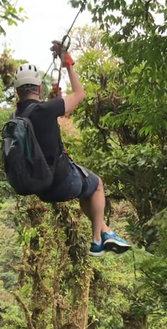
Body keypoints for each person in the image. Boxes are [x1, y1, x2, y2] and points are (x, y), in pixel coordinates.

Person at [11, 42, 131, 257]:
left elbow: (41, 122)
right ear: (39, 88)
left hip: (43, 188)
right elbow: (79, 94)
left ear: (17, 91)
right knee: (97, 185)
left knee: (86, 194)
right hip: (64, 180)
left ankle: (106, 232)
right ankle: (96, 242)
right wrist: (68, 64)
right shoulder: (46, 109)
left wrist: (54, 101)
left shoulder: (17, 118)